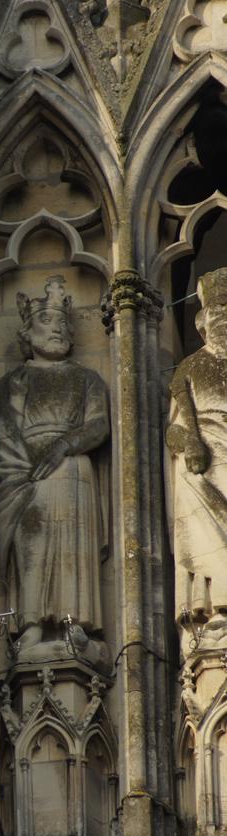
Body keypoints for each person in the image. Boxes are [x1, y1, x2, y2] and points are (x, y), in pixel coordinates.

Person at [0, 276, 110, 653]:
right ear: (27, 332)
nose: (56, 329)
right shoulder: (11, 383)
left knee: (74, 547)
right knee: (33, 547)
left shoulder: (87, 379)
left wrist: (65, 444)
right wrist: (23, 464)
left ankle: (75, 620)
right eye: (46, 323)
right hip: (24, 475)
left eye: (62, 325)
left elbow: (99, 423)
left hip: (73, 471)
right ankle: (33, 623)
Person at [167, 267, 227, 626]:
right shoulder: (190, 367)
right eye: (219, 317)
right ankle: (218, 609)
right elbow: (174, 430)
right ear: (203, 324)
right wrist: (190, 441)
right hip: (207, 463)